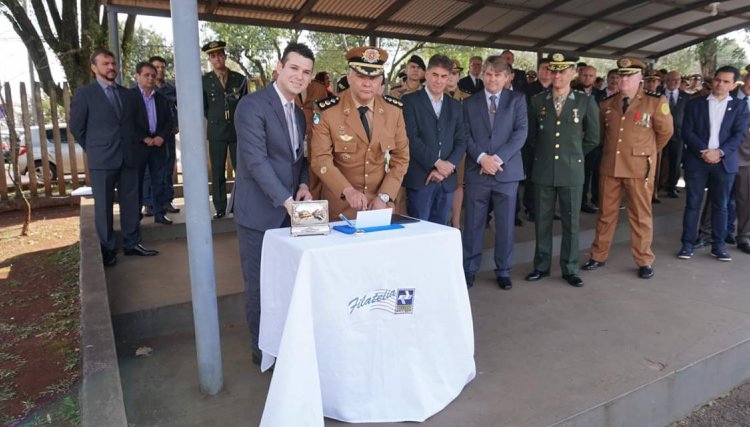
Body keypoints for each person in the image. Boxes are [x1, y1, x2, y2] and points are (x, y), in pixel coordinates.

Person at [229, 42, 315, 366]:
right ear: (279, 67)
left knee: (288, 281)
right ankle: (261, 347)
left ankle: (286, 340)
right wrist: (288, 202)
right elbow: (256, 162)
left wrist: (304, 185)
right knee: (259, 284)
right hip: (259, 213)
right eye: (294, 68)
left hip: (291, 211)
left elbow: (298, 159)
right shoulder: (252, 106)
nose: (299, 76)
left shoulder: (300, 113)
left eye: (306, 72)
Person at [582, 57, 673, 279]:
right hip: (610, 167)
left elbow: (665, 133)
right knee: (605, 214)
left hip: (638, 168)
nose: (624, 79)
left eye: (629, 75)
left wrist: (646, 152)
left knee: (640, 215)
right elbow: (602, 136)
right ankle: (598, 255)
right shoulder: (607, 103)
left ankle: (644, 260)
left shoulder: (654, 101)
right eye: (621, 75)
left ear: (640, 78)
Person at [69, 48, 158, 267]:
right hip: (102, 160)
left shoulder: (128, 94)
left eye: (113, 63)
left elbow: (136, 126)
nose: (111, 67)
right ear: (94, 68)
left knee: (131, 203)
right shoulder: (85, 94)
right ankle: (107, 249)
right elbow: (77, 128)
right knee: (104, 206)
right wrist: (95, 148)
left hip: (128, 158)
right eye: (105, 63)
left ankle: (132, 243)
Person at [525, 53, 599, 288]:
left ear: (572, 73)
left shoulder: (584, 101)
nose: (557, 75)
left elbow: (593, 138)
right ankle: (541, 265)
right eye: (553, 70)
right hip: (544, 169)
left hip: (571, 171)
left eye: (562, 71)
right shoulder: (538, 101)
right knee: (542, 220)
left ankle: (570, 267)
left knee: (571, 222)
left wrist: (573, 155)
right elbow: (532, 137)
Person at [310, 46, 410, 220]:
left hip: (380, 206)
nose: (367, 83)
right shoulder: (327, 111)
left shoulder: (394, 111)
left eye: (373, 77)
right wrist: (347, 190)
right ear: (349, 77)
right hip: (341, 206)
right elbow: (320, 159)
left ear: (381, 80)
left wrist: (384, 196)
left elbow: (401, 158)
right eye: (361, 76)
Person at [462, 55, 528, 290]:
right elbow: (465, 135)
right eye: (488, 74)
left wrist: (497, 159)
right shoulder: (469, 103)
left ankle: (503, 269)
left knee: (505, 225)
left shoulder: (517, 100)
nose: (492, 79)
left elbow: (520, 133)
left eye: (498, 75)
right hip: (477, 171)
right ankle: (469, 269)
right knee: (472, 224)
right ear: (482, 75)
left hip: (506, 172)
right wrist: (482, 158)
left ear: (507, 77)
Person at [677, 66, 749, 262]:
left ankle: (718, 246)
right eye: (718, 80)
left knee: (721, 205)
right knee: (692, 204)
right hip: (697, 161)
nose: (720, 84)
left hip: (724, 163)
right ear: (713, 80)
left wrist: (719, 152)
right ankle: (687, 244)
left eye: (726, 82)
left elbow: (739, 135)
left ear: (734, 85)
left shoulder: (741, 107)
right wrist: (704, 152)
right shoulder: (695, 103)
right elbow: (686, 131)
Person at [402, 54, 467, 224]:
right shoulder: (409, 101)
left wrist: (448, 167)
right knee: (419, 232)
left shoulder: (455, 106)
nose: (439, 81)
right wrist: (437, 163)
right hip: (420, 179)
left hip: (447, 179)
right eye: (435, 75)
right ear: (427, 74)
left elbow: (461, 140)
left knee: (441, 231)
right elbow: (411, 139)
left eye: (444, 76)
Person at [201, 40, 247, 219]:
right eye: (213, 56)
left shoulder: (239, 79)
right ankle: (220, 207)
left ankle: (240, 204)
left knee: (241, 169)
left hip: (236, 131)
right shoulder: (205, 81)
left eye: (220, 54)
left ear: (225, 56)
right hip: (216, 132)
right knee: (218, 171)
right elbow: (205, 107)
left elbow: (245, 104)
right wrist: (216, 119)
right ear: (210, 60)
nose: (217, 58)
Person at [132, 61, 174, 225]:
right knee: (138, 181)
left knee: (159, 180)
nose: (150, 79)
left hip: (158, 145)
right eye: (146, 75)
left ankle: (159, 213)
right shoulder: (131, 97)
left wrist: (161, 137)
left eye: (153, 75)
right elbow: (128, 122)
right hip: (139, 146)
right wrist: (144, 138)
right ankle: (136, 215)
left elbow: (168, 122)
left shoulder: (161, 98)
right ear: (138, 76)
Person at [149, 55, 180, 215]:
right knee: (150, 169)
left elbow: (178, 109)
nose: (160, 70)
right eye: (156, 67)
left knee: (168, 167)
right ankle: (149, 204)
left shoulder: (171, 89)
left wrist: (176, 126)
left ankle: (167, 201)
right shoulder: (145, 88)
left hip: (167, 135)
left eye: (162, 67)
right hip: (150, 137)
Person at [662, 70, 690, 199]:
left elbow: (688, 117)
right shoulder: (658, 94)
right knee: (658, 162)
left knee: (675, 162)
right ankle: (655, 187)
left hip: (678, 135)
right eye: (672, 80)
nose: (675, 82)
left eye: (678, 80)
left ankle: (671, 187)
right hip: (660, 133)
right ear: (666, 81)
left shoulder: (685, 97)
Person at [734, 66, 750, 255]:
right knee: (717, 198)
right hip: (725, 155)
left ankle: (744, 236)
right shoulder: (728, 95)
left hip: (747, 159)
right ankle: (708, 234)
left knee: (746, 199)